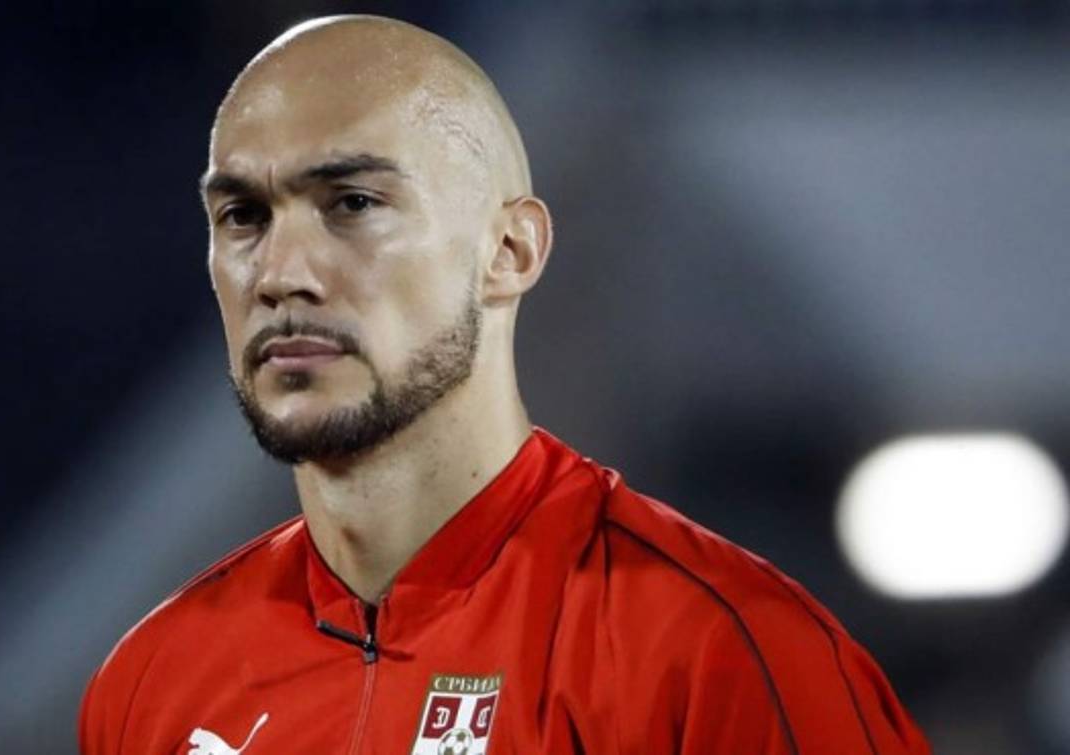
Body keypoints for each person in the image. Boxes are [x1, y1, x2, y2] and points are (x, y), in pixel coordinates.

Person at [78, 14, 930, 755]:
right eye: (243, 217)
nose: (280, 273)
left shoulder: (717, 650)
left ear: (510, 252)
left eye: (353, 203)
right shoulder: (155, 681)